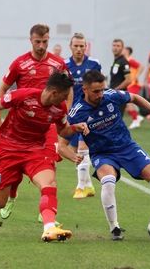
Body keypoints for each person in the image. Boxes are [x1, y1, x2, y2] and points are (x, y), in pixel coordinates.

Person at [0, 72, 89, 242]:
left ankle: (49, 227)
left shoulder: (59, 108)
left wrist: (75, 127)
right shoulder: (23, 96)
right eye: (64, 96)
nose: (65, 100)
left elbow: (62, 130)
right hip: (8, 150)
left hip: (35, 151)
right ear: (54, 93)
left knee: (49, 183)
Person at [58, 70, 150, 241]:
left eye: (102, 89)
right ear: (85, 89)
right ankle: (115, 228)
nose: (100, 94)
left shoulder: (111, 95)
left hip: (126, 147)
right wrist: (73, 157)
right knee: (108, 182)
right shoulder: (77, 112)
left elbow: (134, 97)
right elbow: (61, 145)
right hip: (102, 154)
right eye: (96, 91)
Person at [0, 24, 71, 220]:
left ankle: (47, 210)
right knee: (17, 167)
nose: (42, 46)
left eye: (45, 41)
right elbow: (3, 89)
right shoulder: (20, 63)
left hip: (48, 123)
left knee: (51, 162)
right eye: (38, 42)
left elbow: (68, 89)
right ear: (31, 40)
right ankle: (10, 195)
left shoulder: (58, 63)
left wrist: (67, 114)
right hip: (21, 123)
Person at [64, 32, 102, 199]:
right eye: (76, 46)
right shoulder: (64, 65)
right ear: (70, 46)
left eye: (82, 46)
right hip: (73, 113)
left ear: (86, 47)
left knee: (83, 147)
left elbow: (101, 86)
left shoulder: (94, 63)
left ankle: (80, 187)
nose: (79, 49)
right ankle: (89, 186)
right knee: (75, 151)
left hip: (90, 112)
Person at [122, 46, 145, 129]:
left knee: (128, 101)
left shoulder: (129, 59)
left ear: (127, 51)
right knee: (126, 103)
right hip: (129, 84)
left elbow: (141, 66)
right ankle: (136, 117)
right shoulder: (124, 61)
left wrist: (137, 76)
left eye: (123, 49)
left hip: (133, 84)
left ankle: (136, 119)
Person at [110, 39, 131, 116]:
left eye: (118, 46)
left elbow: (128, 80)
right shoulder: (116, 61)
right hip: (113, 95)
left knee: (116, 120)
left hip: (119, 95)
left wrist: (116, 90)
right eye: (114, 45)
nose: (115, 48)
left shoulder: (123, 62)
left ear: (122, 48)